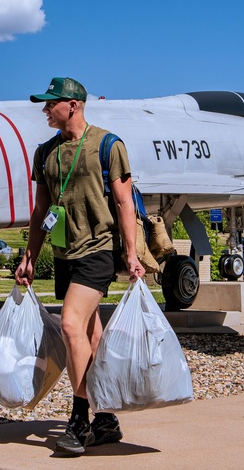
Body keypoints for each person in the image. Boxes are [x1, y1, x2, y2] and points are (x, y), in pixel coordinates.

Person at [15, 76, 146, 456]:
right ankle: (105, 419)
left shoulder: (108, 145)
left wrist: (131, 254)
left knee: (70, 324)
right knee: (89, 335)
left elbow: (124, 203)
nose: (44, 109)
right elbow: (42, 210)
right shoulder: (45, 153)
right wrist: (30, 256)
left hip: (98, 250)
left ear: (73, 105)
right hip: (63, 253)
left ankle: (79, 418)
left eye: (50, 103)